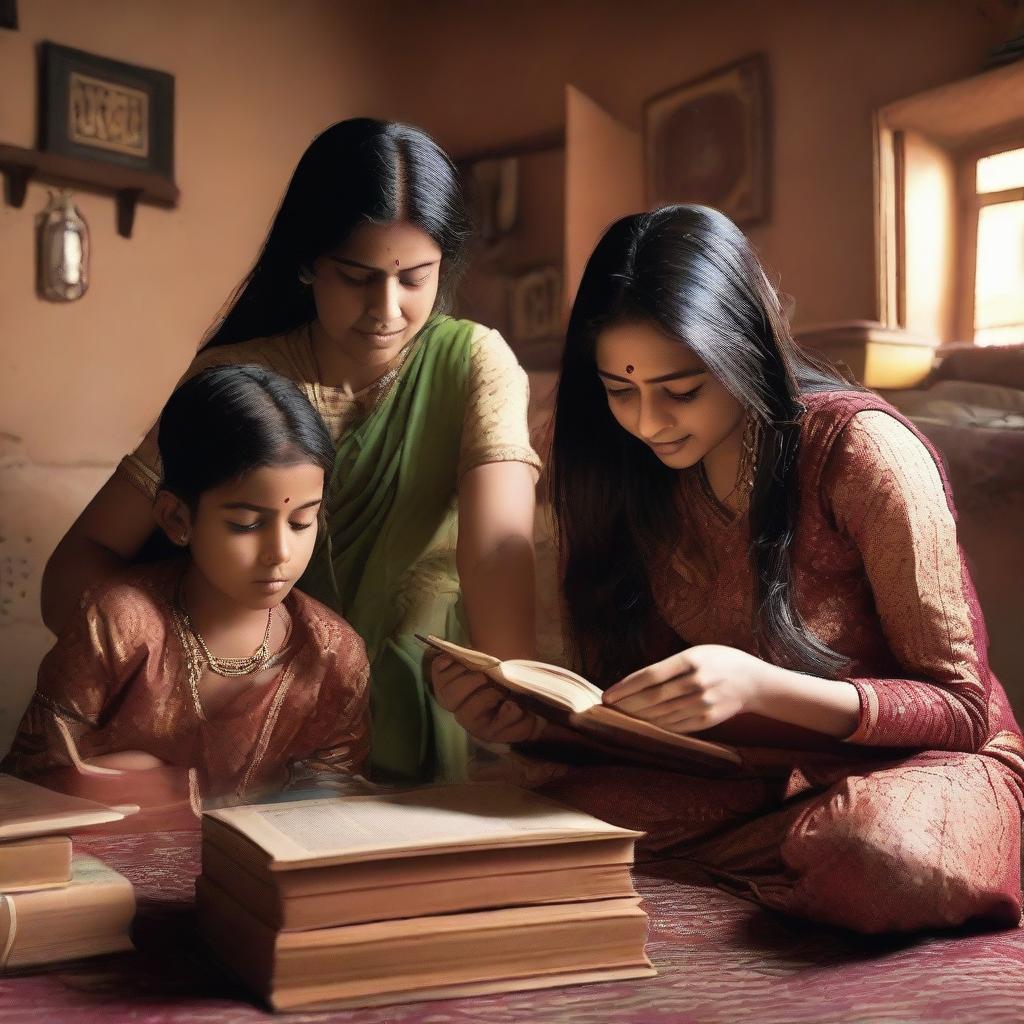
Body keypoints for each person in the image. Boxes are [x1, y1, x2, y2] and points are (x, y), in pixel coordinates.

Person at [432, 204, 1024, 934]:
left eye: (680, 390)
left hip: (923, 769)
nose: (649, 422)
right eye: (621, 392)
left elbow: (961, 711)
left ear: (743, 351)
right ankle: (790, 863)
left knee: (874, 853)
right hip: (744, 775)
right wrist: (520, 719)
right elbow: (636, 715)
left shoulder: (861, 452)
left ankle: (810, 862)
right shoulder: (615, 465)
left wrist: (764, 687)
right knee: (526, 814)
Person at [40, 119, 540, 783]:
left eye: (415, 278)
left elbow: (498, 554)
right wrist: (188, 663)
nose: (385, 309)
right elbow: (72, 572)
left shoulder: (476, 363)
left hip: (423, 716)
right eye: (357, 276)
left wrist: (520, 712)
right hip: (250, 725)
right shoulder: (238, 380)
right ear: (307, 262)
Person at [6, 365, 369, 819]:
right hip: (116, 877)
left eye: (302, 522)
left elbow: (336, 807)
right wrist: (103, 784)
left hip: (259, 882)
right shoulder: (118, 623)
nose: (280, 552)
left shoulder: (334, 655)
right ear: (177, 518)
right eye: (246, 525)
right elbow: (28, 782)